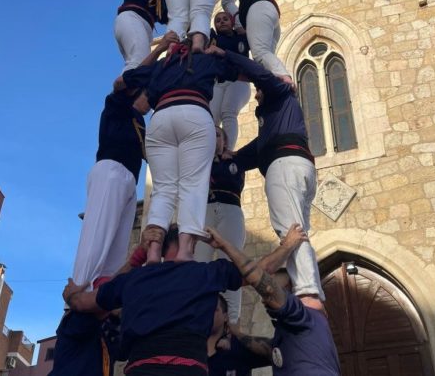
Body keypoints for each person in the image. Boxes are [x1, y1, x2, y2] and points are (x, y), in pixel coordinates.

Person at [63, 224, 308, 376]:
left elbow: (82, 304)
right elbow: (260, 271)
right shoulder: (204, 274)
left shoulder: (135, 279)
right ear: (185, 243)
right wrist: (288, 246)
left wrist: (72, 293)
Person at [205, 44, 325, 308]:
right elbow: (259, 148)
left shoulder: (279, 92)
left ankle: (308, 294)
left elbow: (259, 73)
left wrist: (226, 54)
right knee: (298, 231)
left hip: (284, 167)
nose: (257, 96)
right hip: (295, 165)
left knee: (290, 230)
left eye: (257, 91)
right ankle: (309, 289)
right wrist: (234, 157)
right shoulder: (274, 119)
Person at [115, 40, 251, 263]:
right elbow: (245, 74)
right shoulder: (207, 60)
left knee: (163, 189)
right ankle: (186, 251)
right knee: (193, 184)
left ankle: (153, 252)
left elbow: (125, 88)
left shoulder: (163, 65)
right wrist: (222, 54)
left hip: (160, 118)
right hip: (194, 113)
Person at [72, 33, 176, 289]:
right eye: (147, 97)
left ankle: (101, 295)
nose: (149, 103)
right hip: (111, 170)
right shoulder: (117, 104)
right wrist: (162, 49)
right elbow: (128, 80)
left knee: (117, 249)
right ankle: (78, 290)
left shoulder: (140, 123)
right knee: (97, 236)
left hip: (129, 179)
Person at [206, 227, 342, 376]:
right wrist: (237, 334)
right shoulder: (288, 335)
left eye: (280, 288)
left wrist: (225, 246)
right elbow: (270, 350)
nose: (264, 300)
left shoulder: (303, 318)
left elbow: (264, 285)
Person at [52, 228, 162, 376]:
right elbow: (105, 298)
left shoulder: (108, 332)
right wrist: (139, 256)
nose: (118, 299)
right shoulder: (74, 323)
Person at [194, 126, 246, 322]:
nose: (213, 137)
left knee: (232, 263)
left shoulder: (234, 161)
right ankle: (199, 314)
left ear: (224, 141)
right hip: (205, 211)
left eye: (217, 134)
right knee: (200, 261)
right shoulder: (198, 163)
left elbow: (233, 181)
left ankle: (231, 320)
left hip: (229, 208)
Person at [209, 12, 251, 148]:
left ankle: (228, 150)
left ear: (232, 22)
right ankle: (211, 152)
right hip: (219, 83)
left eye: (225, 19)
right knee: (211, 119)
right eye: (218, 20)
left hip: (238, 81)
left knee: (228, 112)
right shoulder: (213, 38)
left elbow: (232, 6)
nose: (221, 22)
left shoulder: (242, 37)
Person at [207, 295, 272, 376]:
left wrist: (238, 334)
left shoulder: (236, 346)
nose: (207, 312)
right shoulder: (191, 347)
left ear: (225, 317)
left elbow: (277, 349)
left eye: (214, 309)